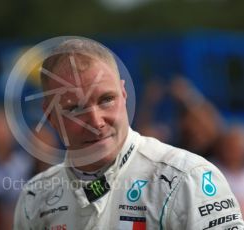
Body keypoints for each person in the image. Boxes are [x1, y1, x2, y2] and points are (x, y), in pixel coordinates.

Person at [13, 38, 244, 229]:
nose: (96, 121)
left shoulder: (188, 178)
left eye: (106, 99)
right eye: (75, 108)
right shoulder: (35, 197)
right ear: (50, 115)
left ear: (124, 94)